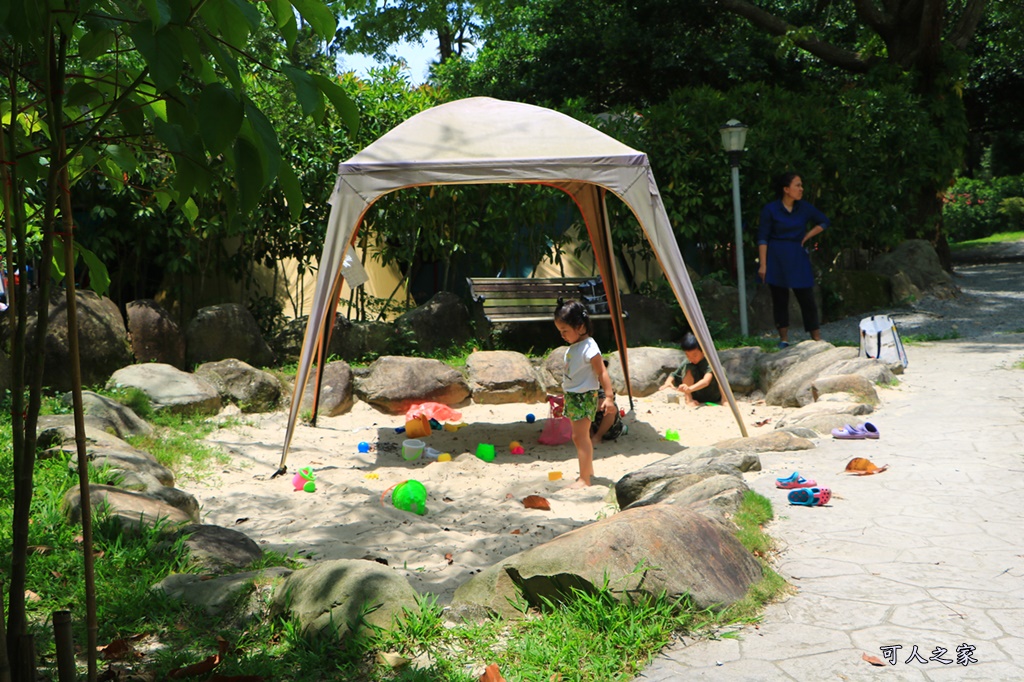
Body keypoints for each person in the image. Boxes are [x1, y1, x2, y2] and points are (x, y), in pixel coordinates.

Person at [757, 172, 829, 348]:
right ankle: (784, 339)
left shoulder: (804, 208)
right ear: (786, 189)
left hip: (797, 254)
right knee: (780, 297)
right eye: (797, 185)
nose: (801, 189)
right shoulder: (771, 209)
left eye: (801, 185)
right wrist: (763, 264)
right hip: (777, 256)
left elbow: (824, 221)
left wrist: (806, 236)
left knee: (806, 296)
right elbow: (763, 238)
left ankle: (816, 338)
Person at [553, 299, 617, 488]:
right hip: (574, 396)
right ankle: (587, 472)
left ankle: (584, 479)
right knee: (581, 436)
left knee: (580, 437)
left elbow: (602, 372)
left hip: (584, 397)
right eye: (560, 331)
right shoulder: (575, 346)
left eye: (565, 330)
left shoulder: (589, 347)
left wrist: (609, 397)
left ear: (580, 327)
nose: (562, 335)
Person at [659, 332, 721, 406]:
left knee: (721, 370)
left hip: (712, 394)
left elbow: (706, 381)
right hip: (695, 394)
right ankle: (689, 399)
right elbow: (673, 374)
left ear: (703, 350)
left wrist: (690, 389)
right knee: (688, 367)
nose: (691, 358)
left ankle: (725, 400)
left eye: (695, 355)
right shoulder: (688, 362)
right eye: (688, 355)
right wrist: (668, 382)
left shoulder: (710, 362)